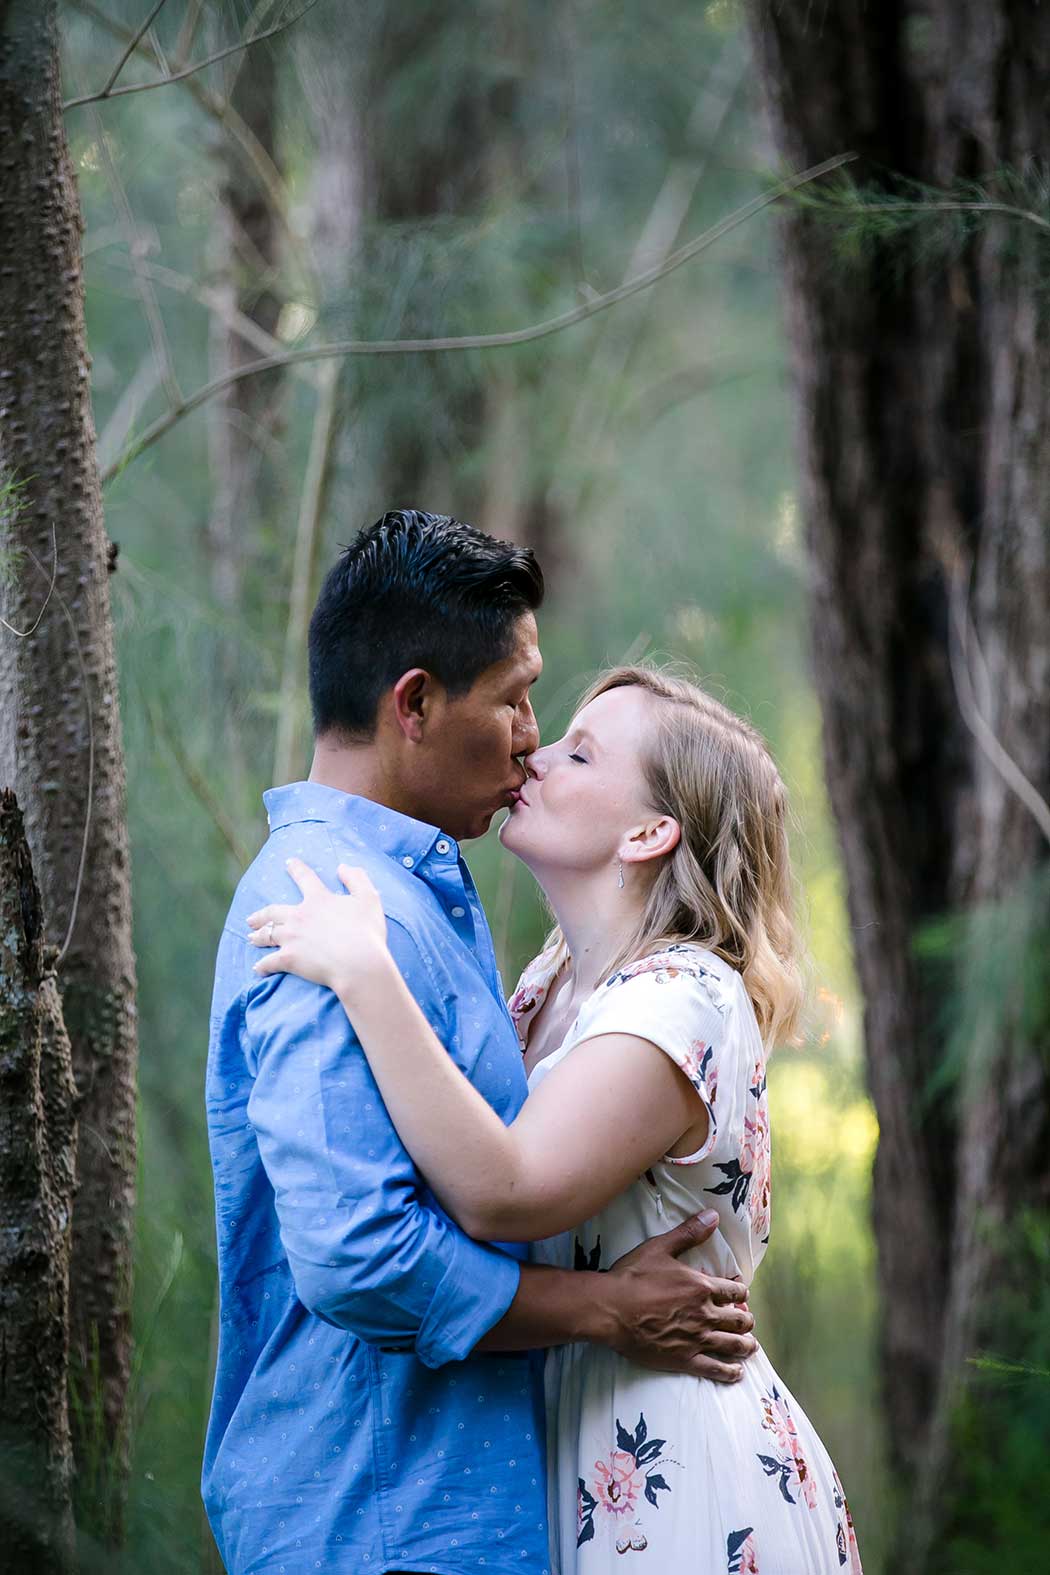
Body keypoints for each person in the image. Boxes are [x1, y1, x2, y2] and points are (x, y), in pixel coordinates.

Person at [203, 511, 757, 1575]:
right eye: (513, 698)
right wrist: (604, 1310)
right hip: (379, 1520)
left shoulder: (414, 905)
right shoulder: (323, 902)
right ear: (414, 703)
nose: (529, 737)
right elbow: (361, 1256)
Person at [247, 663, 865, 1574]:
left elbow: (504, 1189)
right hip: (574, 1437)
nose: (535, 752)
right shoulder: (549, 985)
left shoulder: (689, 995)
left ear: (652, 830)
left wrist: (366, 974)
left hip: (673, 1469)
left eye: (580, 752)